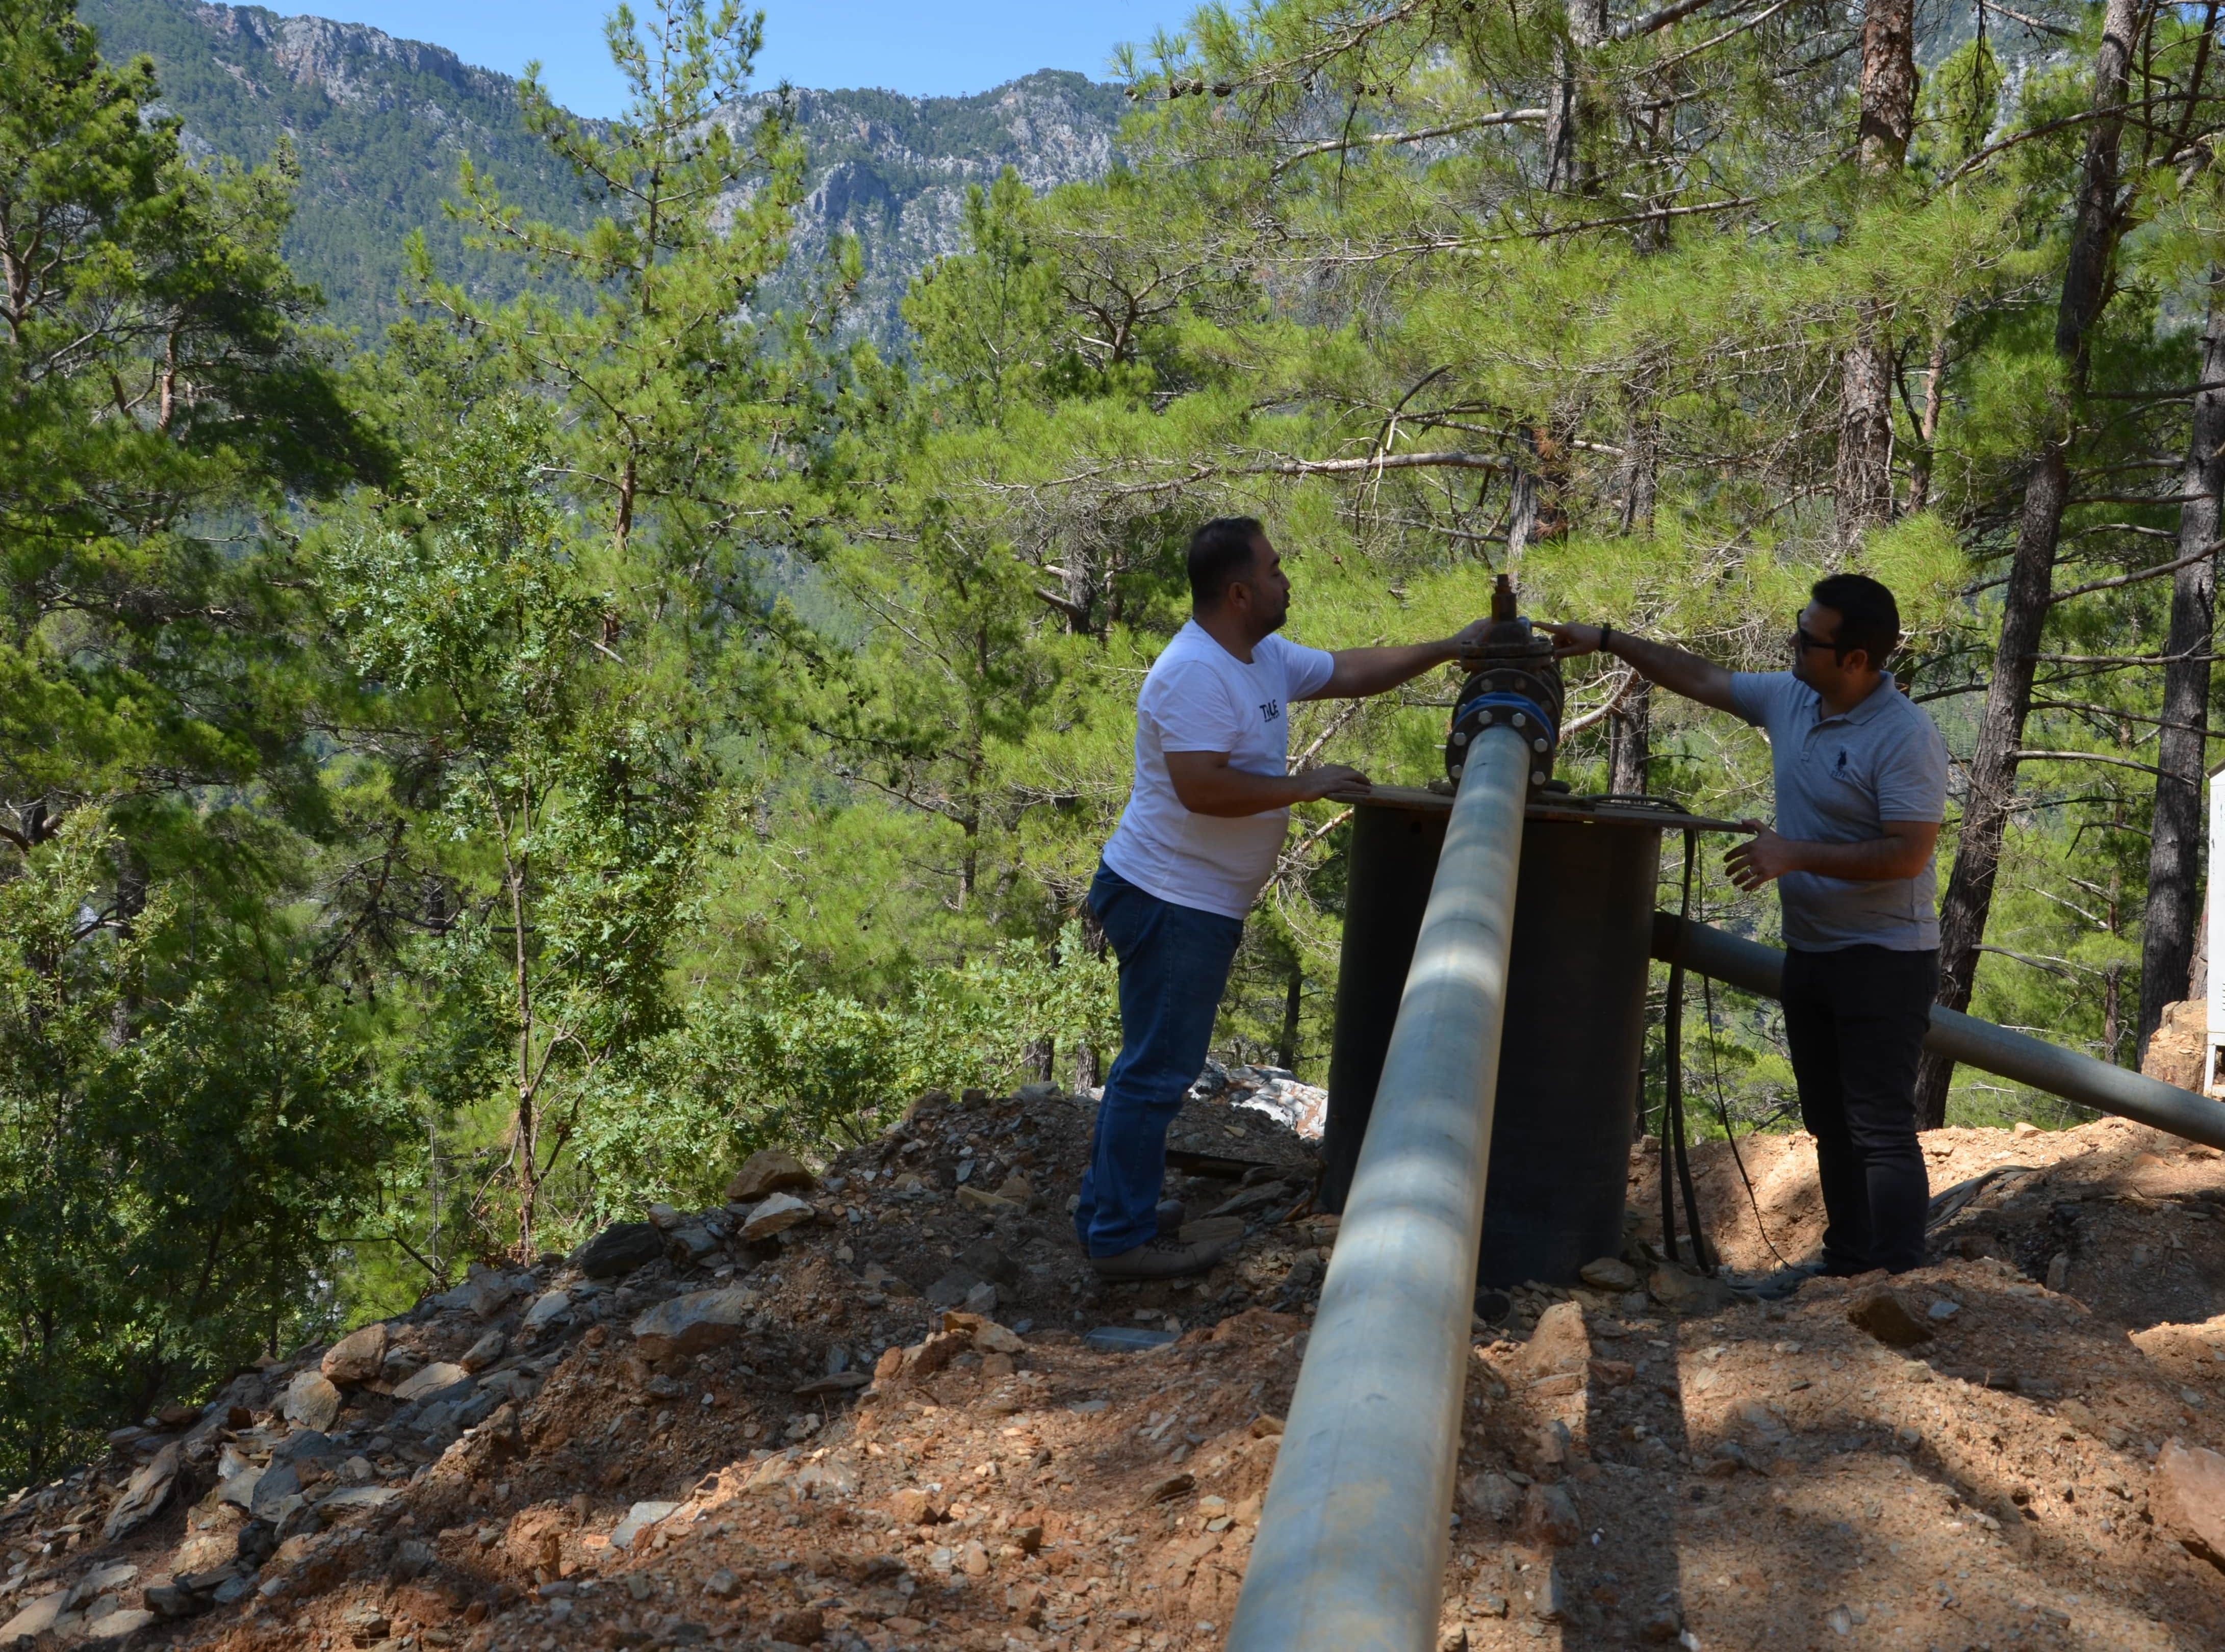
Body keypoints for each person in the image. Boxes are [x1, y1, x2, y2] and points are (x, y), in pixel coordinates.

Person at [1079, 517, 1491, 1281]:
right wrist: (1306, 785)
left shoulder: (1258, 655)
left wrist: (1449, 649)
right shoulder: (1194, 673)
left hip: (1194, 900)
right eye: (1273, 569)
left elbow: (1348, 670)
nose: (1285, 577)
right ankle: (1120, 1238)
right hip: (1171, 899)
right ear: (1239, 593)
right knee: (1157, 1073)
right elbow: (1200, 787)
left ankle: (1112, 1206)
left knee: (1151, 1066)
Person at [1543, 574, 1949, 1283]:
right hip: (1814, 950)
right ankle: (1851, 1266)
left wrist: (1792, 853)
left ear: (1856, 660)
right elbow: (1700, 676)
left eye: (1807, 638)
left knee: (1880, 1128)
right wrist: (1608, 640)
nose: (1792, 644)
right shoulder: (1794, 695)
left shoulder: (1905, 736)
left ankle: (1899, 1284)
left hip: (1885, 957)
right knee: (1829, 1119)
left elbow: (1908, 853)